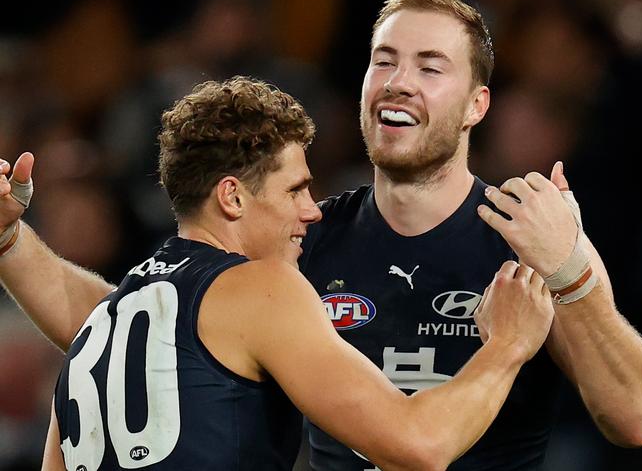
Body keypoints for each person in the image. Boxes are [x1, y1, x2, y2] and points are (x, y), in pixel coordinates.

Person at [1, 0, 642, 470]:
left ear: (478, 102)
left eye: (430, 66)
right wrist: (12, 241)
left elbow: (635, 416)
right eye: (384, 60)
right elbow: (138, 319)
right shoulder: (297, 240)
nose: (399, 83)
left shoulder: (533, 236)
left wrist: (572, 273)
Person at [0, 76, 555, 470]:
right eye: (295, 188)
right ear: (233, 197)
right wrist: (507, 344)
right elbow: (417, 446)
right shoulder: (261, 287)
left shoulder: (103, 331)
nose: (312, 209)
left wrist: (10, 240)